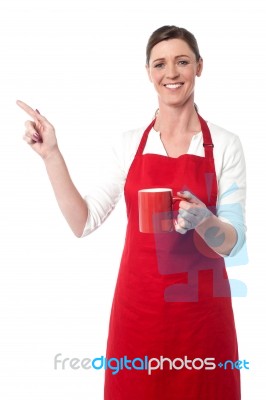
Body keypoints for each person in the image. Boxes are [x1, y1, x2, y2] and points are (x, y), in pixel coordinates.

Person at [17, 25, 246, 400]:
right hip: (138, 317)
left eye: (182, 61)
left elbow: (233, 243)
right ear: (149, 73)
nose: (171, 73)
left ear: (199, 67)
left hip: (203, 323)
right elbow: (83, 221)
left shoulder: (224, 144)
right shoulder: (128, 145)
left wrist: (205, 220)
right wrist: (52, 155)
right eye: (160, 64)